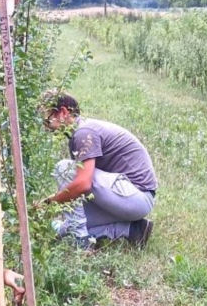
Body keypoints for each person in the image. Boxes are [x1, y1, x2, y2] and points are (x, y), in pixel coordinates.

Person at [41, 91, 158, 247]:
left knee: (64, 168)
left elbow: (82, 184)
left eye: (47, 120)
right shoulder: (82, 131)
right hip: (129, 198)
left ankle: (82, 243)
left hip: (137, 196)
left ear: (63, 112)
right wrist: (49, 203)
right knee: (69, 223)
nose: (46, 128)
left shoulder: (84, 133)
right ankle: (132, 230)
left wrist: (50, 204)